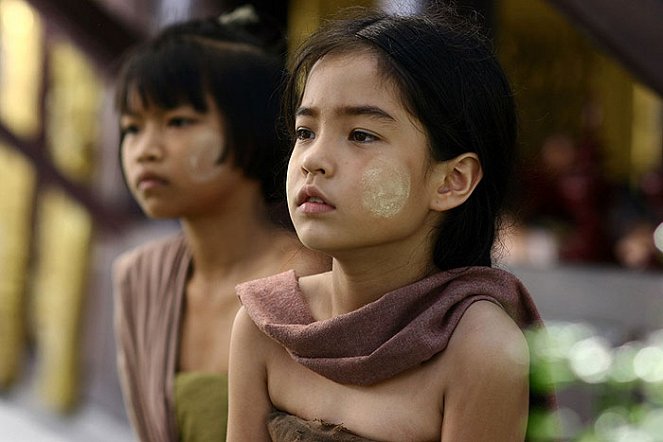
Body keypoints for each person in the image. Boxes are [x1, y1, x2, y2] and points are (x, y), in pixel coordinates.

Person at [227, 7, 553, 441]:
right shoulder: (268, 326)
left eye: (361, 135)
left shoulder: (477, 346)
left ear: (451, 181)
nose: (313, 161)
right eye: (305, 131)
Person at [111, 7, 330, 442]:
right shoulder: (141, 277)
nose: (144, 150)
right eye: (132, 128)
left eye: (177, 122)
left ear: (250, 129)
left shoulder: (312, 277)